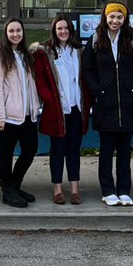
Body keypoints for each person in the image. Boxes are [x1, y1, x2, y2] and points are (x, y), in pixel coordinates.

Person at [82, 2, 133, 207]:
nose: (115, 21)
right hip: (105, 104)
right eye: (112, 17)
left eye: (119, 17)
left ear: (125, 19)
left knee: (125, 151)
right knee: (106, 151)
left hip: (128, 104)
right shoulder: (96, 40)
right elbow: (87, 70)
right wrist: (96, 90)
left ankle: (124, 190)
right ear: (105, 18)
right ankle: (108, 190)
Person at [31, 15, 88, 205]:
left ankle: (74, 189)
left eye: (66, 28)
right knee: (57, 150)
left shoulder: (79, 51)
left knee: (74, 150)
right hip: (57, 110)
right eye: (59, 28)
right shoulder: (45, 52)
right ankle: (57, 188)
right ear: (54, 31)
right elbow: (39, 79)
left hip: (76, 109)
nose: (63, 31)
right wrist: (49, 99)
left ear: (71, 31)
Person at [0, 17, 41, 208]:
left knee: (30, 149)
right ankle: (7, 192)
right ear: (6, 33)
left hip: (27, 114)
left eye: (18, 30)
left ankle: (14, 184)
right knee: (7, 153)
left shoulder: (25, 55)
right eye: (11, 31)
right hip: (7, 116)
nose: (15, 34)